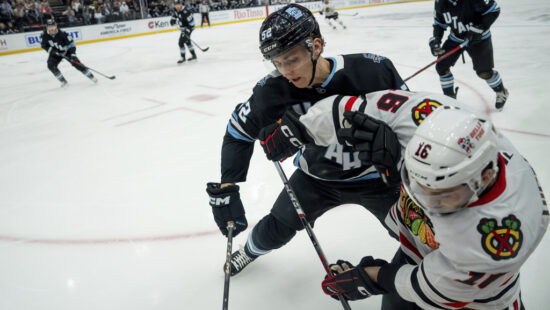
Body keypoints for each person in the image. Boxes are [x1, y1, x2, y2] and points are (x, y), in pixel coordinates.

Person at [261, 89, 549, 309]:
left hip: (480, 299)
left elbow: (432, 288)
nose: (425, 201)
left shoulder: (500, 237)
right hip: (421, 250)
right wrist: (301, 128)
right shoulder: (427, 117)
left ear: (484, 177)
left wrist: (375, 278)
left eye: (443, 196)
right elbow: (353, 109)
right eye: (416, 182)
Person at [206, 4, 408, 277]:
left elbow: (415, 123)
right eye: (276, 63)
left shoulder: (373, 71)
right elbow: (237, 133)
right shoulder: (272, 91)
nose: (285, 71)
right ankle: (250, 251)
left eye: (291, 59)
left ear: (315, 46)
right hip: (316, 178)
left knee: (418, 233)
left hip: (377, 178)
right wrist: (228, 184)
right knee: (277, 227)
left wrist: (395, 144)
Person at [429, 0, 508, 110]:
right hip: (456, 39)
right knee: (441, 67)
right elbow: (439, 23)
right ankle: (449, 98)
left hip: (479, 39)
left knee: (484, 72)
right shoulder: (440, 2)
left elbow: (493, 11)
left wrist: (479, 28)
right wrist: (436, 40)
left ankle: (501, 91)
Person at [40, 19, 97, 86]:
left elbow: (72, 44)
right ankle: (64, 82)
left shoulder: (63, 33)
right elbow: (44, 45)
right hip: (55, 53)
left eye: (52, 26)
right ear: (47, 27)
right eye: (49, 27)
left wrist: (73, 54)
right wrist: (52, 51)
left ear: (56, 26)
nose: (51, 28)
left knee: (77, 64)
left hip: (67, 52)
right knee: (51, 65)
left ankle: (92, 77)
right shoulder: (44, 35)